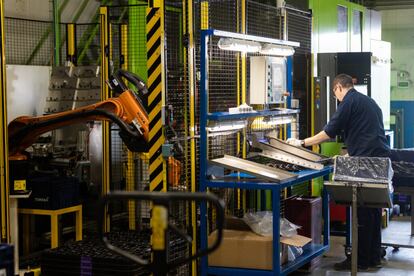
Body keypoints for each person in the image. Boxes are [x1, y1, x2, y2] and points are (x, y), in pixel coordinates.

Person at [287, 73, 390, 271]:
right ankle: (372, 257)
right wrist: (350, 153)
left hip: (364, 163)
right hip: (378, 161)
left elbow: (329, 133)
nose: (336, 98)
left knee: (361, 210)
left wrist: (301, 143)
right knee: (373, 210)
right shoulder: (369, 102)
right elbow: (368, 132)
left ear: (338, 88)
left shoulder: (348, 102)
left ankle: (359, 261)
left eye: (335, 94)